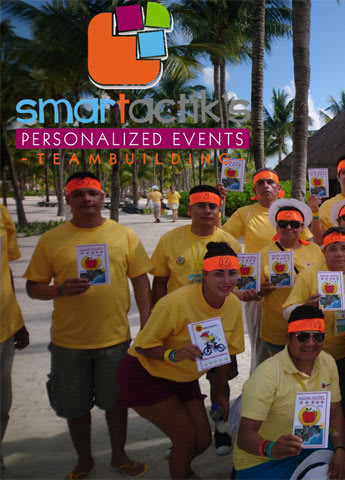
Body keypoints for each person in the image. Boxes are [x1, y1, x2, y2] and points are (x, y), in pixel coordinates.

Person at [24, 172, 151, 479]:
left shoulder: (124, 235)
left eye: (92, 194)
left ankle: (119, 455)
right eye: (79, 194)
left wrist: (147, 326)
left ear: (103, 197)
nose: (87, 200)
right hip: (69, 342)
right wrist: (59, 290)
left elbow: (141, 283)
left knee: (115, 403)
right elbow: (32, 287)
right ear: (68, 200)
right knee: (74, 406)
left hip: (115, 339)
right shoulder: (52, 240)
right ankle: (84, 461)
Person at [117, 242, 245, 479]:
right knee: (185, 438)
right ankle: (183, 472)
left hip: (184, 377)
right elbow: (143, 346)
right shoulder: (175, 302)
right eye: (218, 274)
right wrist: (173, 354)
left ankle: (182, 466)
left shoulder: (234, 305)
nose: (226, 280)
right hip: (145, 374)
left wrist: (219, 394)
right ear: (204, 275)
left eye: (232, 273)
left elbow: (224, 354)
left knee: (203, 440)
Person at [149, 184, 242, 454]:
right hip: (178, 326)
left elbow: (233, 284)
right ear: (189, 208)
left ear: (218, 209)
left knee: (219, 380)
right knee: (179, 384)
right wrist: (156, 319)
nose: (207, 210)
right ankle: (181, 437)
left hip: (217, 325)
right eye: (201, 205)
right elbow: (159, 282)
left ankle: (221, 429)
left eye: (212, 205)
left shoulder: (229, 243)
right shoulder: (170, 239)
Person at [233, 306, 345, 479]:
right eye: (302, 337)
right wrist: (271, 448)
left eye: (318, 336)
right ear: (288, 338)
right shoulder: (267, 375)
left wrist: (339, 449)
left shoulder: (327, 362)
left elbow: (335, 410)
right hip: (265, 457)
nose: (311, 343)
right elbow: (244, 436)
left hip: (310, 441)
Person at [283, 227, 345, 427]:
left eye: (344, 248)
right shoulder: (309, 275)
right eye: (332, 249)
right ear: (323, 252)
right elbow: (287, 310)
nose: (339, 254)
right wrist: (305, 307)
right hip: (316, 353)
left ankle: (342, 432)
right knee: (316, 400)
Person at [221, 168, 282, 372]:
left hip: (288, 286)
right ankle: (258, 393)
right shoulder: (244, 213)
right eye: (261, 183)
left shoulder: (288, 211)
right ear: (254, 189)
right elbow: (222, 239)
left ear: (279, 188)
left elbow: (306, 243)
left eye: (270, 183)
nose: (266, 186)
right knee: (260, 345)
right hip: (255, 289)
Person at [258, 198, 324, 356]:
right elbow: (251, 292)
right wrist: (260, 291)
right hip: (277, 328)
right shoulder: (263, 254)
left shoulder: (315, 250)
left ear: (302, 227)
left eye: (294, 224)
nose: (288, 227)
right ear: (276, 226)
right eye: (283, 223)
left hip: (308, 327)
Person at [0, 205, 28, 475]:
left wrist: (17, 319)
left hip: (3, 328)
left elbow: (5, 269)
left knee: (1, 403)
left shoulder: (1, 213)